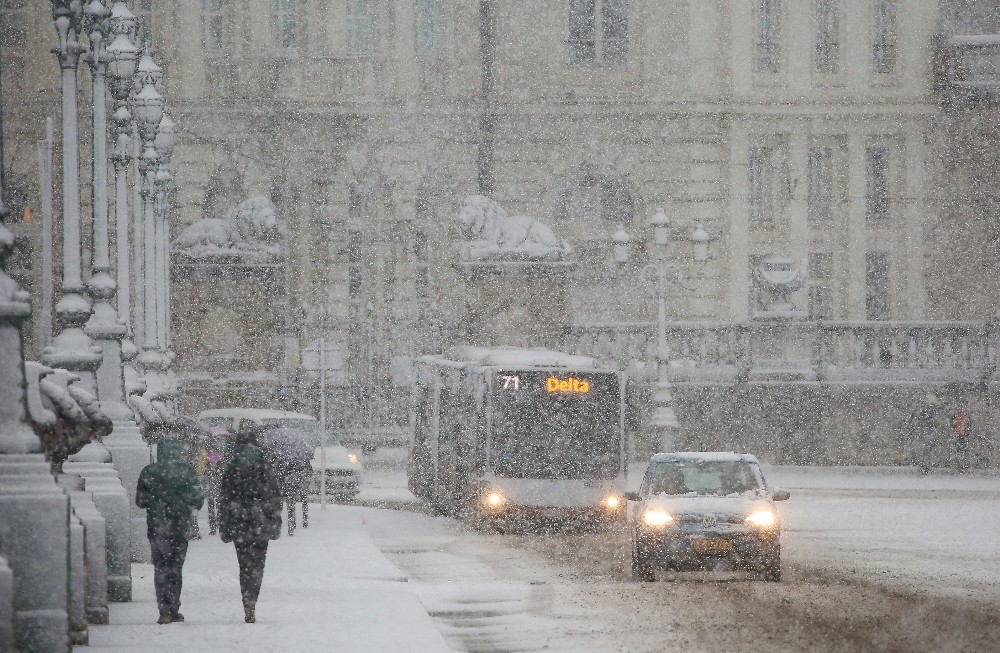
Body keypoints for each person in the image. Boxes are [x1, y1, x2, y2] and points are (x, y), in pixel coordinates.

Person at [135, 435, 205, 625]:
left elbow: (140, 501)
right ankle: (174, 607)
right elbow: (198, 499)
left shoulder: (149, 472)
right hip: (180, 525)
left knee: (161, 567)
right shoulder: (187, 472)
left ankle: (164, 608)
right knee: (176, 567)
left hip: (157, 526)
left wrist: (157, 502)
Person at [219, 425, 282, 624]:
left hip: (239, 524)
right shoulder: (264, 465)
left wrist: (224, 525)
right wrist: (275, 523)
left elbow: (225, 499)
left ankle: (246, 599)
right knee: (257, 564)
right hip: (261, 523)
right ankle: (252, 599)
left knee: (244, 564)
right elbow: (274, 497)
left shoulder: (231, 467)